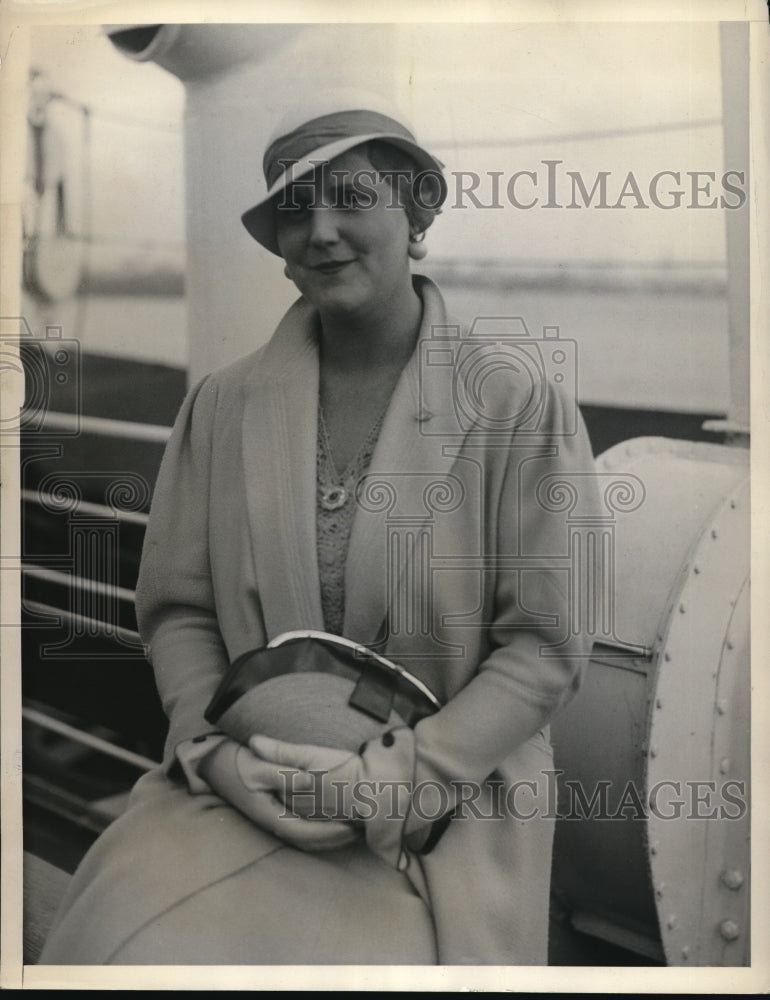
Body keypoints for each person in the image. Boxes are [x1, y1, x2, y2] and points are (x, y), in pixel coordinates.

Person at [40, 90, 600, 966]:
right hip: (244, 777)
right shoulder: (223, 407)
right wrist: (215, 755)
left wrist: (392, 779)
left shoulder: (516, 403)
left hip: (437, 807)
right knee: (113, 933)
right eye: (296, 212)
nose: (323, 231)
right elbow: (180, 615)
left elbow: (544, 648)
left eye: (353, 200)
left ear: (415, 216)